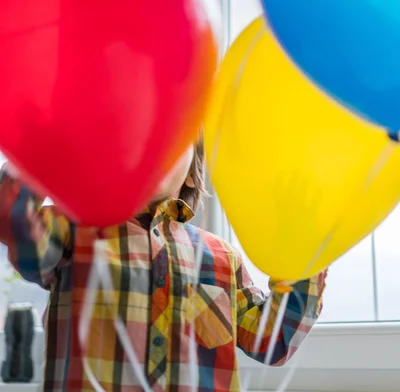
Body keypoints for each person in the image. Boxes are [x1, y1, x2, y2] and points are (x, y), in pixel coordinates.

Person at [0, 138, 326, 392]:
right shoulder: (70, 230)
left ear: (193, 174)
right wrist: (40, 156)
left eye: (171, 135)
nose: (151, 144)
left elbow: (273, 341)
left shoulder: (223, 258)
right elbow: (16, 226)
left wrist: (302, 252)